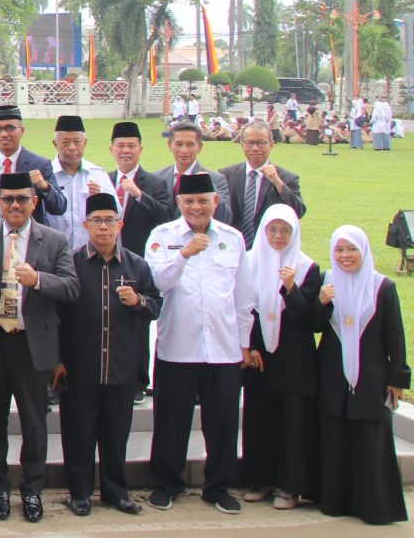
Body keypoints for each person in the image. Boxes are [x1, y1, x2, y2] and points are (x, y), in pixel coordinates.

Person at [0, 173, 79, 522]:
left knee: (34, 422)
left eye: (22, 199)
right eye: (8, 199)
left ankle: (32, 490)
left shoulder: (54, 240)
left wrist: (39, 280)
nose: (15, 205)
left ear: (34, 201)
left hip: (32, 344)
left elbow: (72, 288)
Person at [145, 173, 254, 513]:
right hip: (178, 346)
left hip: (222, 349)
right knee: (171, 421)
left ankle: (218, 486)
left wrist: (244, 344)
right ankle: (166, 483)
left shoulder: (232, 238)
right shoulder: (163, 236)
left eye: (203, 201)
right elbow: (156, 283)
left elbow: (243, 297)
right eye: (189, 201)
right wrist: (184, 255)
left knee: (222, 422)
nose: (196, 207)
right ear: (179, 203)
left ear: (215, 203)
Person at [53, 192, 158, 516]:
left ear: (120, 224)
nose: (103, 228)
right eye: (96, 221)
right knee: (79, 434)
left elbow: (155, 305)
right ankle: (80, 493)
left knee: (115, 435)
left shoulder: (136, 265)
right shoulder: (70, 263)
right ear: (85, 225)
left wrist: (137, 301)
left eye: (109, 221)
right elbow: (55, 315)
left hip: (121, 365)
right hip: (80, 366)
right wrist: (56, 361)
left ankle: (116, 492)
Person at [313, 225, 408, 524]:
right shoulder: (326, 282)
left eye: (351, 249)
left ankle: (374, 506)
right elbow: (313, 326)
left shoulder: (383, 286)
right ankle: (336, 501)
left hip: (371, 377)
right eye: (339, 249)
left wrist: (398, 379)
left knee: (370, 443)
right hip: (332, 377)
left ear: (364, 251)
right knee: (335, 440)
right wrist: (321, 303)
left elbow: (395, 337)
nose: (345, 256)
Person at [240, 205, 320, 510]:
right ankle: (259, 479)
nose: (277, 236)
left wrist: (290, 288)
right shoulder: (249, 262)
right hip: (260, 357)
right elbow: (244, 308)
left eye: (284, 230)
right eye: (272, 229)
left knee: (292, 423)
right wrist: (249, 346)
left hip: (294, 358)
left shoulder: (307, 268)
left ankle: (290, 486)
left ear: (294, 233)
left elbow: (309, 320)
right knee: (260, 421)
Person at [0, 105, 68, 226]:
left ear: (22, 130)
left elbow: (59, 208)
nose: (4, 134)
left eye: (10, 128)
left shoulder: (40, 165)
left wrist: (44, 187)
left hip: (30, 239)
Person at [218, 121, 306, 248]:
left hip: (269, 249)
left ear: (271, 145)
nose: (255, 148)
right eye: (249, 143)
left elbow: (298, 212)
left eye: (261, 143)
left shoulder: (286, 177)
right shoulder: (227, 175)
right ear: (242, 145)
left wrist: (278, 183)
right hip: (234, 247)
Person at [104, 121, 174, 256]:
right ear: (111, 149)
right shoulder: (104, 180)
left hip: (140, 256)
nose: (126, 150)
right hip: (107, 256)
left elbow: (166, 218)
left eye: (131, 146)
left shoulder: (155, 183)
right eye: (120, 146)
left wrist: (139, 195)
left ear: (140, 149)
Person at [47, 114, 114, 247]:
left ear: (85, 142)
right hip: (53, 252)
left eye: (77, 142)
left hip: (90, 253)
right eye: (65, 142)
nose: (72, 147)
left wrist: (100, 199)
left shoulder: (98, 175)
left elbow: (116, 215)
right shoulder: (46, 175)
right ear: (55, 144)